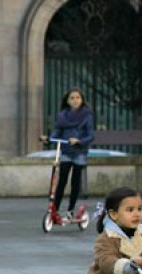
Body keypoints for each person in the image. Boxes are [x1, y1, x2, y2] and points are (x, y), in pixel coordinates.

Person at [40, 87, 94, 221]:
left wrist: (79, 141)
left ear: (82, 100)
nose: (75, 100)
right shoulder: (62, 115)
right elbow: (57, 133)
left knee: (75, 182)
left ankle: (70, 210)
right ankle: (55, 210)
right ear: (67, 101)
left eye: (78, 98)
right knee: (61, 181)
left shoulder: (87, 115)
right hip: (65, 151)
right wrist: (48, 139)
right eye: (72, 98)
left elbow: (90, 135)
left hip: (79, 152)